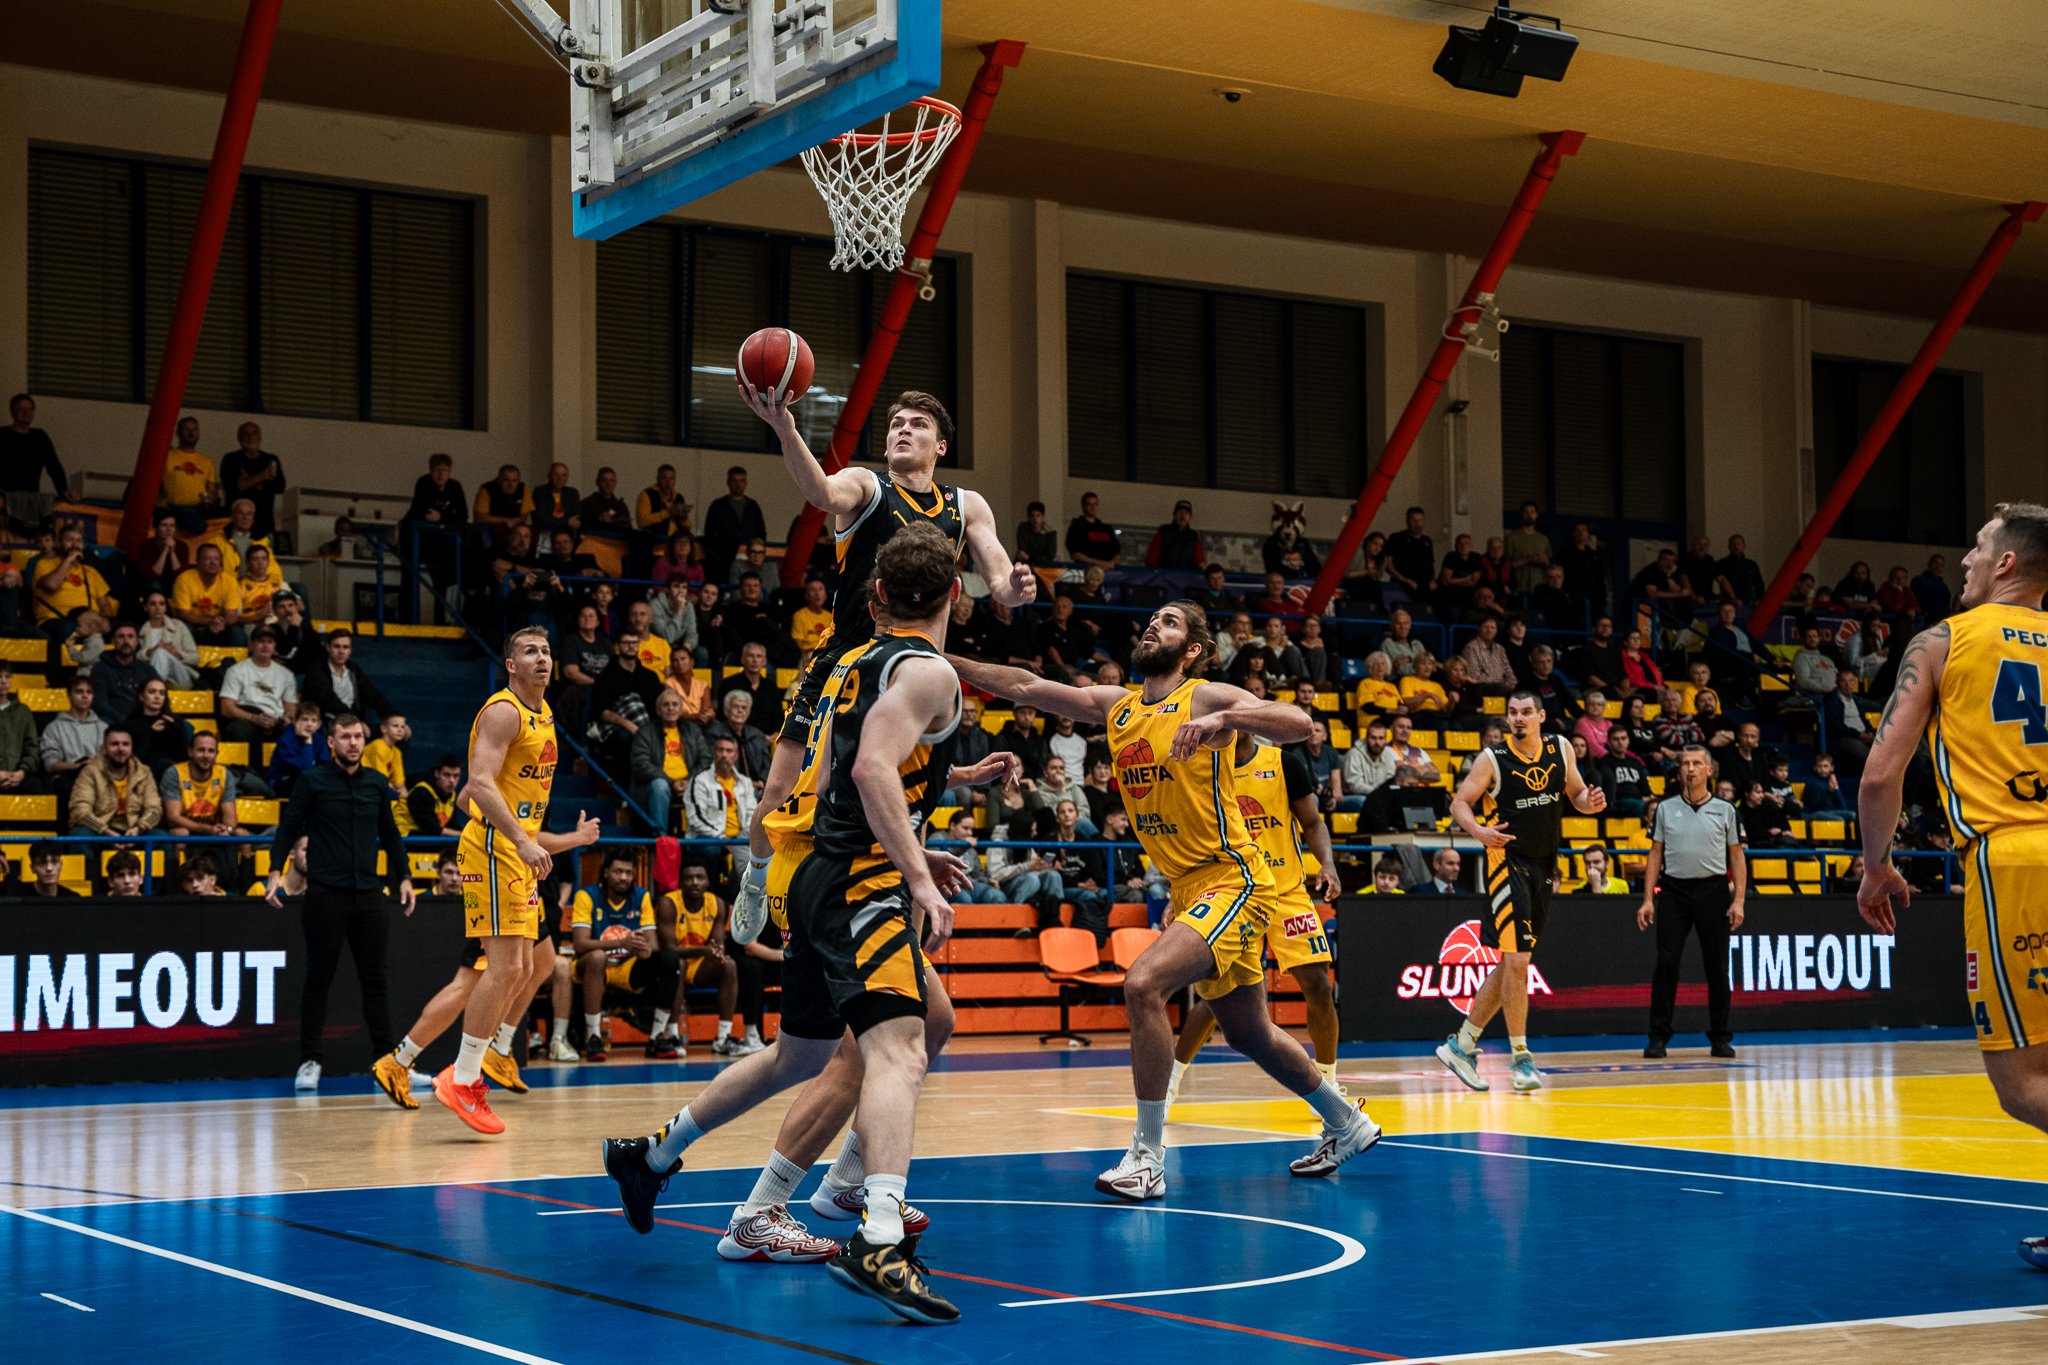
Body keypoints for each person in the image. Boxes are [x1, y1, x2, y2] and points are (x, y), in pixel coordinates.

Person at [602, 528, 1008, 1309]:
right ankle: (872, 1230)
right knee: (898, 1050)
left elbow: (833, 771)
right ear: (956, 594)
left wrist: (926, 809)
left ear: (877, 597)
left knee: (813, 1051)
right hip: (860, 880)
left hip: (819, 868)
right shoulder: (927, 670)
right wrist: (914, 870)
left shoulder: (849, 664)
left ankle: (654, 1155)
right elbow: (868, 767)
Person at [951, 601, 1377, 1197]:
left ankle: (1147, 1156)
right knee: (1249, 1032)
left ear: (1191, 650)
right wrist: (938, 657)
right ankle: (1346, 1121)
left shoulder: (1203, 697)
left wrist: (1228, 716)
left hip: (1235, 877)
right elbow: (1024, 685)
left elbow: (1298, 722)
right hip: (1190, 885)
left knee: (1143, 983)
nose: (1155, 624)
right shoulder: (1118, 706)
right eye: (1153, 619)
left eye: (1170, 622)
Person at [727, 388, 1035, 947]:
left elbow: (999, 582)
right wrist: (785, 427)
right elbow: (820, 491)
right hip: (845, 657)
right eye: (895, 424)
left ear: (940, 445)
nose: (902, 430)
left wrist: (1015, 587)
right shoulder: (868, 486)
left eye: (917, 424)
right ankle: (756, 874)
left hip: (910, 666)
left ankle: (901, 931)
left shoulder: (968, 505)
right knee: (779, 795)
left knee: (901, 795)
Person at [1852, 503, 2048, 1272]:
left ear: (2007, 563)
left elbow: (1879, 775)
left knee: (2022, 1083)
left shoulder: (1944, 640)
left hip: (2014, 861)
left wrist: (1876, 864)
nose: (1965, 557)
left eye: (1977, 545)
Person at [431, 628, 601, 1132]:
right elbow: (477, 787)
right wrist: (522, 842)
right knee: (505, 967)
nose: (542, 658)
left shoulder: (543, 713)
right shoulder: (503, 711)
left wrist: (548, 840)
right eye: (530, 651)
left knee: (525, 966)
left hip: (515, 848)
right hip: (493, 846)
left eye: (547, 651)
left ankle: (476, 1067)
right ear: (510, 664)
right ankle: (463, 1079)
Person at [1434, 690, 1607, 1094]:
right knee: (1518, 961)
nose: (1518, 718)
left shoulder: (1561, 748)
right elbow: (1460, 803)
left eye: (1527, 712)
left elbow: (1577, 795)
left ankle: (1461, 1045)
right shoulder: (1492, 758)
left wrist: (1591, 802)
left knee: (1513, 962)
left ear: (1541, 716)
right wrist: (1478, 830)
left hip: (1544, 866)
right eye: (1512, 712)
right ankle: (1521, 1058)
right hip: (1505, 863)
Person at [1167, 731, 1346, 1107]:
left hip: (1285, 890)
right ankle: (1170, 1083)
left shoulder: (1284, 764)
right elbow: (1191, 839)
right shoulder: (1204, 768)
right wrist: (1179, 893)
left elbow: (1313, 823)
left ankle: (1328, 1082)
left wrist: (1327, 864)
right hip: (1232, 893)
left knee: (1319, 986)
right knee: (1217, 999)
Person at [261, 713, 415, 1093]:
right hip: (326, 895)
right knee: (318, 979)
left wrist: (405, 877)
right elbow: (288, 827)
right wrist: (274, 870)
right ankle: (310, 1060)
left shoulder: (377, 783)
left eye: (358, 736)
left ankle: (386, 1064)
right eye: (345, 737)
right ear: (330, 743)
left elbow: (391, 835)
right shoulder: (311, 781)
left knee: (376, 981)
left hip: (369, 896)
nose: (353, 743)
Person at [368, 877, 561, 1110]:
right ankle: (399, 1061)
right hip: (500, 885)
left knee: (542, 961)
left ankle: (499, 1047)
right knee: (467, 984)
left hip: (524, 888)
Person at [1637, 745, 1747, 1058]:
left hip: (1713, 890)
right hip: (1673, 891)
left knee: (1717, 966)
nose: (1690, 768)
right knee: (1666, 963)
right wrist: (1648, 899)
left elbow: (1737, 856)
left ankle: (1720, 1037)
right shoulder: (1665, 808)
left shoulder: (1726, 810)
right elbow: (1655, 854)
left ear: (1709, 770)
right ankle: (1658, 1036)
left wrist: (1738, 900)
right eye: (1685, 763)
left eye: (1697, 763)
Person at [571, 848, 685, 1061]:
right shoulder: (586, 896)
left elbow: (652, 945)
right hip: (593, 968)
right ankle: (594, 1037)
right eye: (618, 872)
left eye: (628, 873)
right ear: (606, 872)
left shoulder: (641, 896)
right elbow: (580, 944)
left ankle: (657, 1036)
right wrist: (621, 943)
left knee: (671, 960)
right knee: (597, 957)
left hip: (627, 968)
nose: (623, 877)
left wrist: (644, 950)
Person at [68, 724, 162, 839]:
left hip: (134, 830)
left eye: (125, 744)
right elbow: (80, 811)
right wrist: (105, 831)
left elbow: (155, 810)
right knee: (81, 834)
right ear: (104, 749)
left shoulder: (143, 772)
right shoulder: (90, 772)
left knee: (160, 836)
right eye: (114, 744)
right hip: (100, 831)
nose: (120, 748)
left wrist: (139, 828)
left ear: (131, 748)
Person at [159, 730, 245, 842]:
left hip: (215, 829)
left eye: (211, 751)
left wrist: (226, 829)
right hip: (187, 829)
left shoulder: (224, 774)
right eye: (201, 750)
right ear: (190, 752)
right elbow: (173, 817)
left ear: (216, 754)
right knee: (181, 833)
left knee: (241, 833)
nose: (206, 755)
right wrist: (207, 829)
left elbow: (231, 822)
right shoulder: (175, 773)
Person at [631, 688, 694, 834]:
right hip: (654, 787)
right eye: (666, 705)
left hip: (687, 783)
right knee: (660, 785)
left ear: (681, 709)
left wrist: (690, 781)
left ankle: (702, 840)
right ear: (658, 710)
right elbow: (641, 764)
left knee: (705, 784)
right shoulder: (645, 732)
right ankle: (660, 837)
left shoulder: (692, 731)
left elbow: (705, 760)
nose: (671, 708)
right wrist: (671, 782)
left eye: (675, 704)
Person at [40, 676, 106, 810]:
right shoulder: (54, 727)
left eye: (89, 692)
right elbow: (50, 764)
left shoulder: (103, 727)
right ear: (69, 695)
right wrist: (78, 766)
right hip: (69, 778)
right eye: (79, 691)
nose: (85, 696)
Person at [219, 422, 286, 538]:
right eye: (246, 434)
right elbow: (232, 487)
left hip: (265, 524)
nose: (250, 437)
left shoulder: (271, 460)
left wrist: (248, 481)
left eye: (254, 433)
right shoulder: (230, 459)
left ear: (260, 437)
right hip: (237, 526)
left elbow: (280, 487)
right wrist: (262, 477)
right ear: (239, 438)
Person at [703, 465, 767, 584]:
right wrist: (719, 554)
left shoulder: (753, 506)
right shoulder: (718, 505)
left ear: (746, 483)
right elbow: (709, 534)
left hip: (750, 557)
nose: (738, 485)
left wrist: (755, 552)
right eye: (734, 481)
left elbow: (761, 533)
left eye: (741, 481)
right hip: (723, 559)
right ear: (728, 482)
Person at [89, 621, 152, 724]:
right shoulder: (100, 669)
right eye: (121, 637)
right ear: (113, 641)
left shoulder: (146, 669)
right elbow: (100, 705)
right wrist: (126, 722)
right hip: (115, 722)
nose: (126, 641)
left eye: (130, 636)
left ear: (137, 641)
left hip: (143, 720)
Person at [397, 753, 464, 838]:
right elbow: (433, 829)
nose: (451, 780)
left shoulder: (452, 795)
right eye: (446, 775)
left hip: (425, 836)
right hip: (404, 836)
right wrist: (463, 835)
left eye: (456, 776)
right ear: (437, 774)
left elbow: (452, 825)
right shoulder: (421, 792)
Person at [1505, 502, 1552, 596]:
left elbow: (1549, 565)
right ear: (1521, 515)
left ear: (1537, 515)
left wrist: (1544, 560)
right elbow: (1506, 565)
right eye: (1526, 512)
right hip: (1519, 585)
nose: (1529, 515)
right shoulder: (1511, 538)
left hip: (1539, 586)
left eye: (1532, 512)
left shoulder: (1543, 539)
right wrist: (1527, 560)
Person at [1146, 499, 1204, 570]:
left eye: (1186, 513)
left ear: (1190, 517)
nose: (1182, 515)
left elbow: (1199, 561)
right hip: (1164, 574)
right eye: (1179, 512)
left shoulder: (1193, 536)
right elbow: (1151, 558)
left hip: (1186, 575)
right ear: (1174, 514)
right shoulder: (1164, 531)